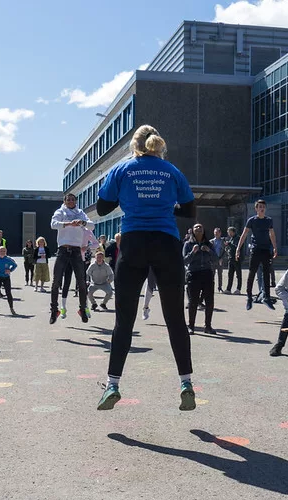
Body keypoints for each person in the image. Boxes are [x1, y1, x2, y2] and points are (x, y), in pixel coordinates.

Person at [95, 124, 197, 411]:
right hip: (166, 243)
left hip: (133, 244)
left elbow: (103, 208)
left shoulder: (123, 169)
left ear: (134, 145)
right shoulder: (172, 171)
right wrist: (164, 208)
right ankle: (186, 383)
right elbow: (190, 211)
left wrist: (130, 200)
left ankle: (112, 385)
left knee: (124, 321)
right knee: (175, 318)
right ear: (159, 146)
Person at [49, 193, 93, 325]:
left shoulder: (80, 213)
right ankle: (54, 310)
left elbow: (92, 225)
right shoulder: (60, 211)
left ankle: (82, 309)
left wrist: (82, 222)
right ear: (65, 201)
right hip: (63, 249)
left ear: (76, 201)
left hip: (76, 250)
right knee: (56, 281)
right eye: (68, 200)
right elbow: (53, 224)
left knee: (81, 281)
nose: (70, 201)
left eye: (73, 200)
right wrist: (69, 223)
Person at [236, 199, 277, 311]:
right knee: (252, 273)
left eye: (263, 206)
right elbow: (244, 235)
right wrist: (238, 249)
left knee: (266, 274)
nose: (261, 208)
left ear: (265, 208)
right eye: (259, 207)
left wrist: (275, 247)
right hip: (255, 249)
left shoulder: (269, 220)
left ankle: (267, 298)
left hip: (266, 250)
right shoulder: (251, 220)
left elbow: (272, 234)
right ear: (256, 209)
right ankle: (249, 297)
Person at [183, 223, 217, 335]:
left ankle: (208, 326)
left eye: (201, 227)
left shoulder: (209, 244)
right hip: (193, 274)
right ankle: (191, 326)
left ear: (203, 231)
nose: (198, 228)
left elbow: (215, 258)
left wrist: (208, 250)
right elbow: (184, 261)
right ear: (192, 231)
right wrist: (193, 252)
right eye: (196, 227)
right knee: (193, 302)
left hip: (207, 273)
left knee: (209, 302)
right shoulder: (188, 244)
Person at [0, 246, 18, 315]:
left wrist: (10, 270)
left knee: (8, 293)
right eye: (1, 251)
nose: (2, 252)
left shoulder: (8, 259)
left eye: (4, 251)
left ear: (6, 252)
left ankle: (11, 308)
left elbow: (15, 265)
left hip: (6, 277)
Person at [223, 226, 242, 295]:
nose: (229, 234)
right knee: (230, 274)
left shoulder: (238, 238)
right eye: (228, 232)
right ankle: (228, 289)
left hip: (237, 259)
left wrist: (229, 244)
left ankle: (238, 289)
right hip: (230, 259)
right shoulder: (231, 238)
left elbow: (236, 247)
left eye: (229, 232)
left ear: (233, 232)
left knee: (238, 274)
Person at [210, 227, 226, 293]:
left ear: (220, 233)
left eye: (217, 233)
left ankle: (220, 287)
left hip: (220, 259)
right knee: (212, 274)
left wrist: (222, 258)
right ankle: (211, 287)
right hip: (213, 260)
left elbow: (225, 250)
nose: (216, 234)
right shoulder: (211, 241)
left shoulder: (223, 241)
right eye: (215, 233)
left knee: (220, 274)